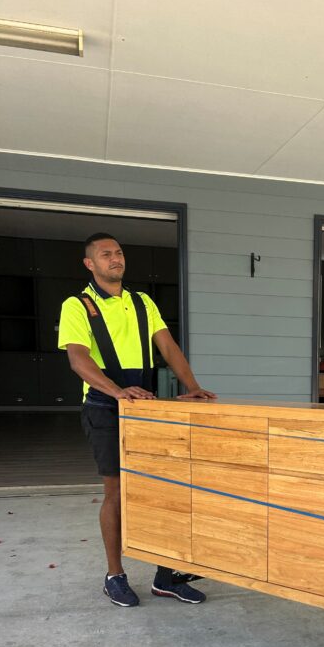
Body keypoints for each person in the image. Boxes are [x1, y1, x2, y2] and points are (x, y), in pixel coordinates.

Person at [58, 232, 217, 608]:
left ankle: (165, 577)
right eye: (105, 254)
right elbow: (78, 358)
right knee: (116, 494)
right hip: (103, 406)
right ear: (90, 264)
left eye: (118, 253)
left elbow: (168, 346)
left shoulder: (143, 302)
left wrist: (193, 387)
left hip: (144, 408)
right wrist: (117, 391)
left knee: (161, 490)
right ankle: (114, 576)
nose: (115, 258)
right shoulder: (77, 306)